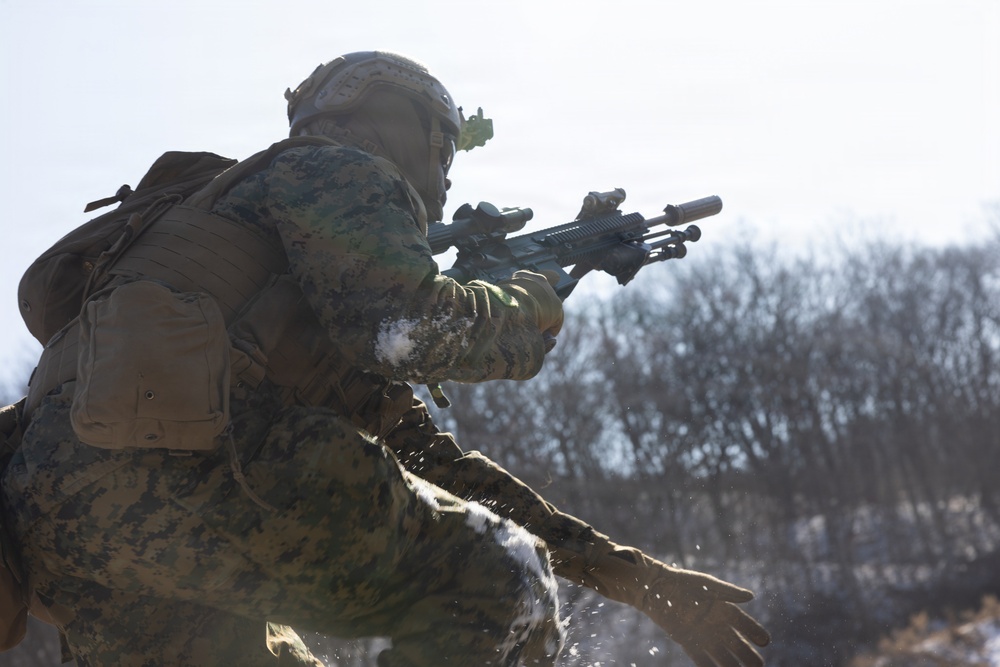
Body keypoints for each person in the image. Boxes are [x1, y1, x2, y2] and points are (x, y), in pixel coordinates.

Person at [1, 51, 769, 666]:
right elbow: (406, 326)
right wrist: (528, 307)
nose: (440, 186)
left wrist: (635, 579)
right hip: (198, 477)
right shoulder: (330, 165)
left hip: (68, 529)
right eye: (444, 156)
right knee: (500, 582)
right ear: (414, 133)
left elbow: (432, 465)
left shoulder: (217, 265)